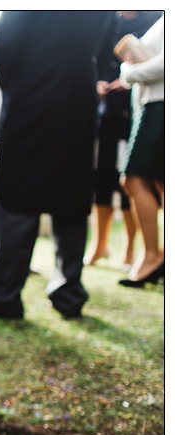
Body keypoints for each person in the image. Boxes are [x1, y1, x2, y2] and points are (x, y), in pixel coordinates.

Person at [0, 12, 118, 319]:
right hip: (80, 92)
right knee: (72, 191)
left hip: (31, 91)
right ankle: (68, 293)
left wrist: (16, 82)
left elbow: (6, 43)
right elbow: (107, 43)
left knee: (17, 193)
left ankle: (6, 295)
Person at [88, 12, 160, 271]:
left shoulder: (155, 16)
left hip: (137, 110)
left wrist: (127, 75)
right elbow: (96, 56)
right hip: (107, 111)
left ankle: (135, 249)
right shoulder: (108, 19)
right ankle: (100, 244)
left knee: (133, 180)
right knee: (104, 178)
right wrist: (96, 82)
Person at [106, 15, 164, 288]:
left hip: (160, 105)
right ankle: (154, 254)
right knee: (157, 184)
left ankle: (154, 254)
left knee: (133, 178)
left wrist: (128, 73)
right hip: (150, 104)